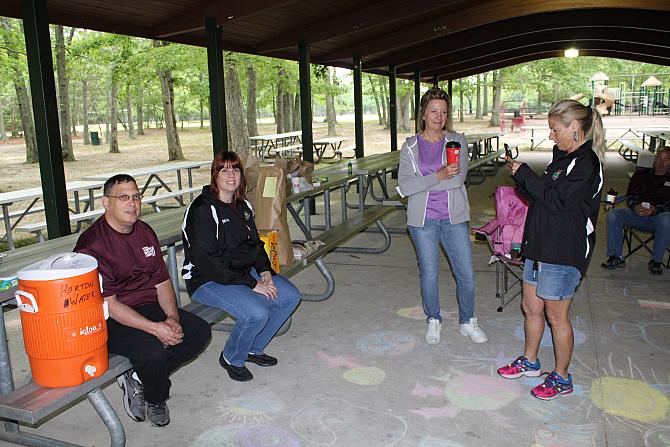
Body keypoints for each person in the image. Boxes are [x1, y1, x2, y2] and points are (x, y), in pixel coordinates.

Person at [75, 174, 211, 427]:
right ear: (106, 203)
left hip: (147, 306)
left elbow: (162, 282)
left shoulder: (144, 231)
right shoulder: (92, 245)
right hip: (110, 319)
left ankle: (138, 376)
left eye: (136, 196)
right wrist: (155, 329)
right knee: (152, 350)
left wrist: (171, 318)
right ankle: (156, 397)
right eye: (123, 197)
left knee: (199, 332)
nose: (132, 203)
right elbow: (110, 305)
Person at [497, 99, 604, 400]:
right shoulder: (562, 157)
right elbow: (541, 198)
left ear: (575, 128)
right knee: (531, 307)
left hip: (563, 251)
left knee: (558, 318)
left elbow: (558, 201)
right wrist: (521, 177)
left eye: (556, 130)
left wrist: (525, 174)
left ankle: (561, 377)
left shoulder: (586, 164)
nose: (551, 136)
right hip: (540, 246)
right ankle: (530, 362)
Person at [181, 151, 301, 382]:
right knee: (257, 313)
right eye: (224, 169)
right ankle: (232, 357)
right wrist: (252, 284)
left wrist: (265, 270)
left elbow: (254, 245)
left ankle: (253, 348)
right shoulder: (202, 210)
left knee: (289, 296)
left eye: (235, 169)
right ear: (214, 175)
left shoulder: (243, 205)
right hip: (207, 279)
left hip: (243, 272)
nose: (231, 174)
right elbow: (208, 261)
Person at [397, 87, 488, 345]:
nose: (439, 116)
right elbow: (404, 187)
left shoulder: (457, 141)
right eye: (434, 111)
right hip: (422, 221)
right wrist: (437, 176)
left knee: (466, 274)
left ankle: (467, 321)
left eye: (444, 112)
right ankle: (433, 319)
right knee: (429, 273)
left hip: (454, 218)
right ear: (423, 114)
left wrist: (423, 182)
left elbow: (458, 179)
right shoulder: (410, 146)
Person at [601, 147, 670, 275]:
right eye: (659, 158)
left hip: (659, 219)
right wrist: (634, 206)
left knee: (666, 218)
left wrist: (656, 210)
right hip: (637, 214)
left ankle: (656, 261)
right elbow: (630, 195)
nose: (662, 162)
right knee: (614, 215)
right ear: (655, 160)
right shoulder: (641, 175)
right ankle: (616, 256)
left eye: (666, 160)